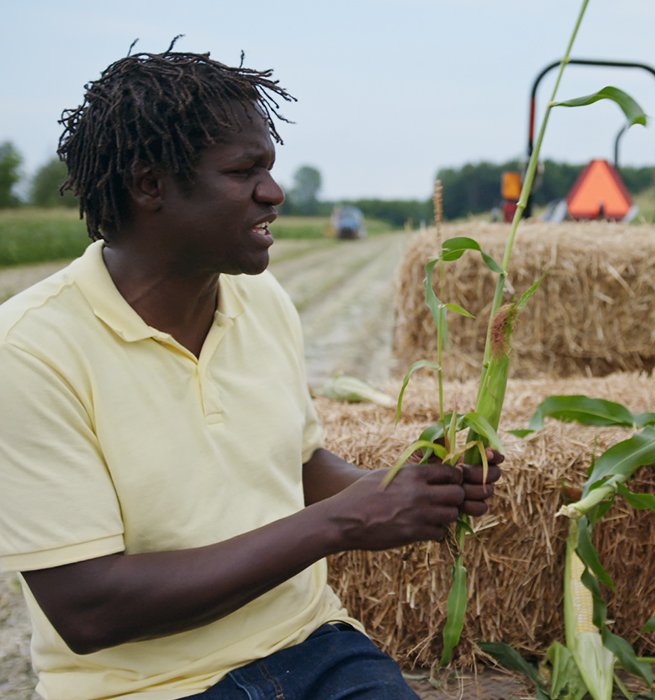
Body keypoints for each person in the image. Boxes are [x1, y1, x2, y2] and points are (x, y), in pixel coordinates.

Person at [0, 44, 501, 699]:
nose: (273, 191)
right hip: (142, 687)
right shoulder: (30, 351)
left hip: (310, 644)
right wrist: (346, 521)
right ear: (149, 185)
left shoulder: (261, 300)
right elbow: (89, 609)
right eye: (244, 171)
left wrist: (409, 487)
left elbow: (295, 468)